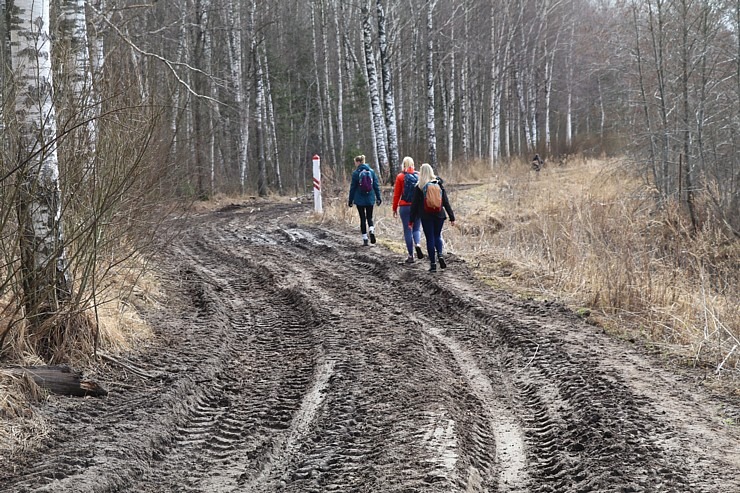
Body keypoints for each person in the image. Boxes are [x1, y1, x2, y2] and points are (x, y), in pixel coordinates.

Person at [409, 163, 455, 272]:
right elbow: (445, 202)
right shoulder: (438, 183)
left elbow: (414, 205)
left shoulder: (419, 186)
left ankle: (433, 264)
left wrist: (411, 220)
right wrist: (452, 217)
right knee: (437, 236)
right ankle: (440, 255)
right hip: (439, 214)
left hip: (426, 216)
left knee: (430, 238)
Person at [392, 156, 424, 263]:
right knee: (416, 228)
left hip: (405, 206)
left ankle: (411, 256)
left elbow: (397, 194)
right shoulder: (419, 175)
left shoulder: (400, 177)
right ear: (413, 164)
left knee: (407, 229)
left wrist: (394, 208)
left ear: (403, 165)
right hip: (418, 206)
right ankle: (418, 244)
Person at [348, 154, 382, 246]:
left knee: (362, 218)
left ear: (358, 162)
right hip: (370, 199)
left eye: (355, 162)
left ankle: (365, 239)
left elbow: (353, 188)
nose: (355, 164)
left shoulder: (356, 173)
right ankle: (371, 230)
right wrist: (378, 198)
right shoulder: (371, 172)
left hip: (359, 200)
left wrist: (350, 200)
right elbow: (376, 186)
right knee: (369, 217)